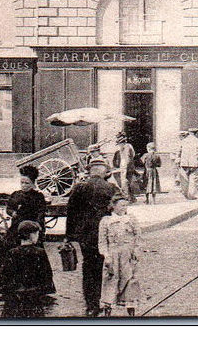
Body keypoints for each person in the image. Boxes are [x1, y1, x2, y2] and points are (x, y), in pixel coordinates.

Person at [65, 156, 121, 316]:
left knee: (89, 267)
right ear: (105, 172)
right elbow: (121, 212)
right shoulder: (111, 189)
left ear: (89, 172)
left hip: (86, 236)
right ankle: (108, 301)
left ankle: (91, 304)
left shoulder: (79, 188)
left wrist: (69, 236)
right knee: (109, 266)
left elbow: (71, 213)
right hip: (107, 235)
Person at [0, 220, 55, 318]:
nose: (38, 236)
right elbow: (47, 275)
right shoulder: (40, 253)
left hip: (14, 300)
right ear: (31, 235)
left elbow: (3, 275)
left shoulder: (12, 252)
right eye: (37, 234)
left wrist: (9, 292)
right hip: (33, 298)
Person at [99, 193, 144, 316]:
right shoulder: (106, 221)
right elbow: (102, 242)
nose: (124, 208)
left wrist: (136, 251)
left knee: (130, 280)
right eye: (121, 205)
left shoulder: (131, 219)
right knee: (111, 279)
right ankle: (108, 309)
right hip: (113, 255)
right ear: (113, 206)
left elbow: (138, 237)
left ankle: (131, 311)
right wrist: (106, 255)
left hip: (127, 255)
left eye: (126, 205)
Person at [3, 165, 48, 248]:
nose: (23, 185)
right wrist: (12, 213)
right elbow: (9, 208)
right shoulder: (16, 195)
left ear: (33, 184)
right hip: (17, 225)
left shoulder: (38, 196)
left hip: (32, 226)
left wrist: (38, 224)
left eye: (27, 183)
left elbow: (41, 212)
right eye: (22, 183)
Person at [176, 127, 198, 200]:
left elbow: (178, 152)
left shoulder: (183, 141)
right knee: (194, 180)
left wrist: (178, 161)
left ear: (189, 133)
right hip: (195, 164)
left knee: (184, 179)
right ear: (196, 133)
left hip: (184, 163)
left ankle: (185, 194)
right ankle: (191, 195)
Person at [111, 134, 137, 201]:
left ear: (122, 143)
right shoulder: (127, 147)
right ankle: (132, 198)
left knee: (125, 182)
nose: (119, 147)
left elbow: (127, 159)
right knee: (128, 182)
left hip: (127, 168)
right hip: (128, 167)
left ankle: (127, 198)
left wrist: (124, 168)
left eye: (119, 145)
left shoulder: (126, 148)